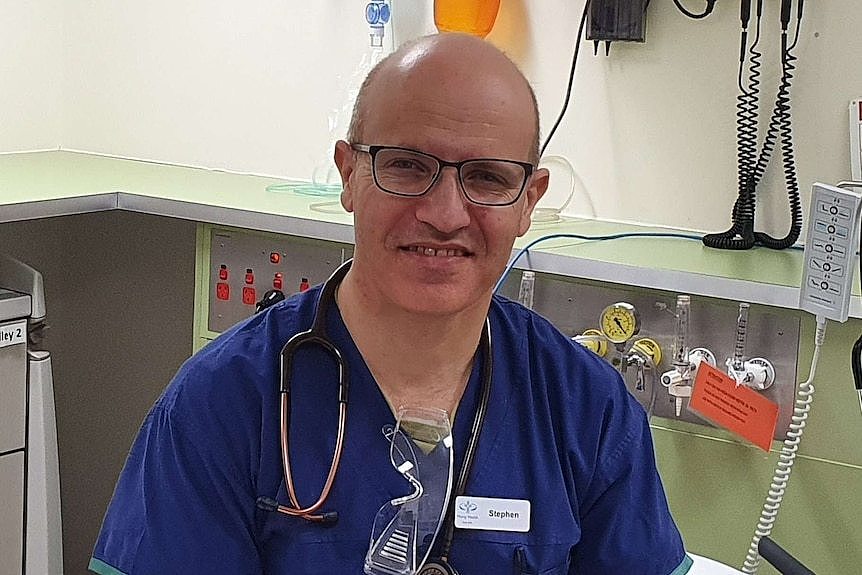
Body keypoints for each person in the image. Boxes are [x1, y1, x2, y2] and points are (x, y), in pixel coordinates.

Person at [90, 33, 692, 574]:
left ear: (528, 200)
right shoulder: (223, 404)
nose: (445, 213)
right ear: (348, 175)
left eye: (486, 177)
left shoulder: (587, 407)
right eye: (407, 166)